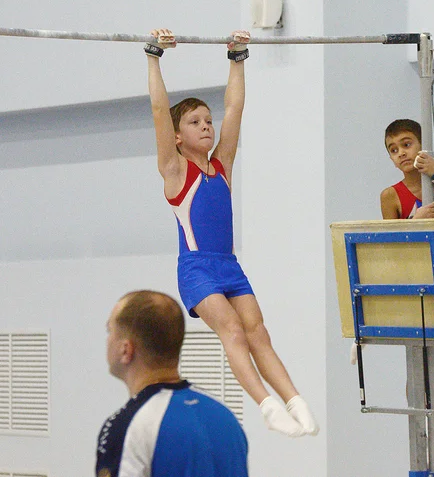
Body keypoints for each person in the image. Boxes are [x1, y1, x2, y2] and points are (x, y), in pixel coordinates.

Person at [143, 28, 318, 438]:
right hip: (197, 270)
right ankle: (268, 405)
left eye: (207, 120)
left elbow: (235, 108)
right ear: (176, 136)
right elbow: (156, 110)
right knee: (234, 331)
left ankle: (296, 400)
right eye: (194, 122)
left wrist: (236, 57)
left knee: (259, 332)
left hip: (229, 266)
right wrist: (154, 58)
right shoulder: (174, 170)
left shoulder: (222, 165)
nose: (206, 126)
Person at [96, 290, 248, 477]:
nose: (107, 339)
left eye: (109, 330)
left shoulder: (127, 428)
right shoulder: (225, 417)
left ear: (126, 350)